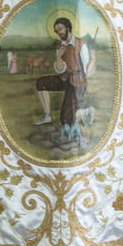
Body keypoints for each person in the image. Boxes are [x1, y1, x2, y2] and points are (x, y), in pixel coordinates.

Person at [34, 15, 96, 147]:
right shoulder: (61, 46)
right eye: (57, 31)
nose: (59, 32)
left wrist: (93, 60)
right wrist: (58, 57)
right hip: (65, 78)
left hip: (78, 82)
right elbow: (60, 70)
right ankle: (47, 115)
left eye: (60, 29)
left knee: (65, 119)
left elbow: (87, 71)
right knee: (41, 82)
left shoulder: (80, 44)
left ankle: (86, 111)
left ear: (67, 27)